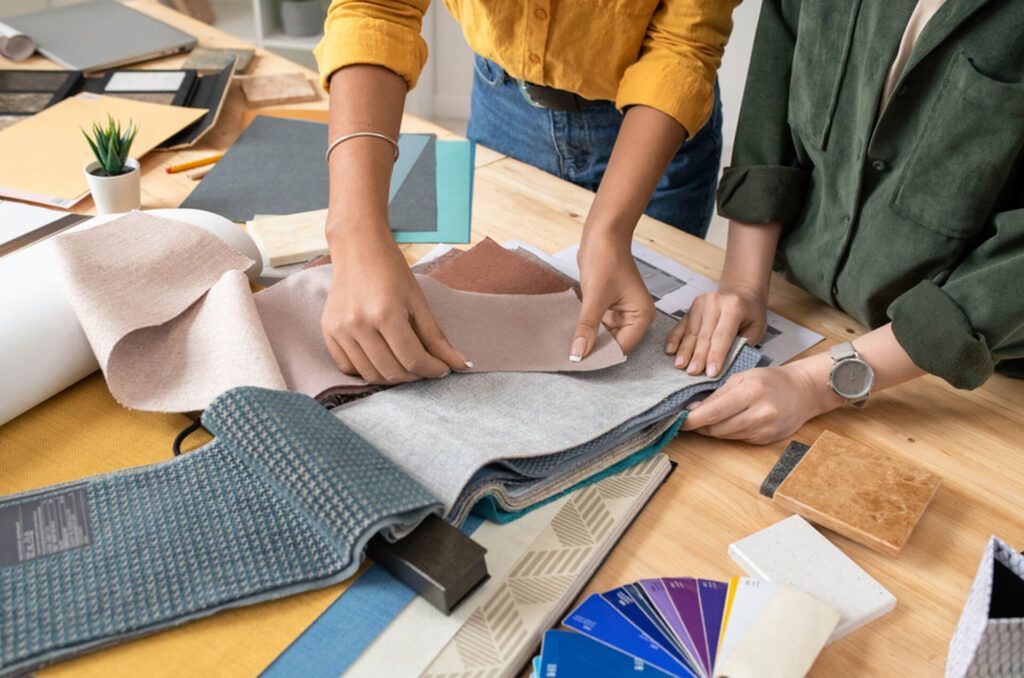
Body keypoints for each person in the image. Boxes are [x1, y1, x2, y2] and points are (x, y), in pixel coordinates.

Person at [313, 0, 737, 385]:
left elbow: (682, 44)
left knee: (652, 332)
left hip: (654, 123)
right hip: (506, 104)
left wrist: (609, 230)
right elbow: (375, 10)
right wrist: (355, 232)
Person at [671, 0, 1024, 444]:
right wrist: (743, 284)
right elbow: (771, 98)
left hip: (970, 388)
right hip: (801, 305)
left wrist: (815, 385)